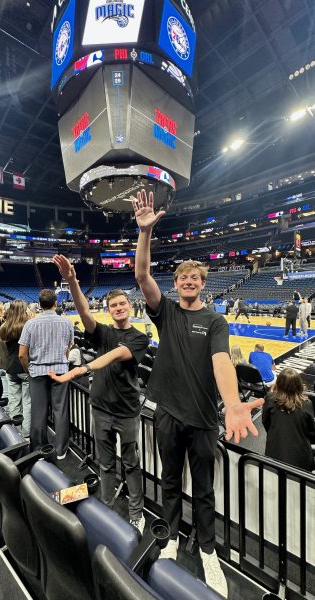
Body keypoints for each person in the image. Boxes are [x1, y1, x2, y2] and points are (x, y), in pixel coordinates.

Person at [133, 190, 263, 599]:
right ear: (176, 284)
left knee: (203, 490)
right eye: (182, 278)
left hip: (205, 419)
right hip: (168, 413)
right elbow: (140, 277)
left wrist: (234, 403)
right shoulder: (166, 311)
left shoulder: (216, 321)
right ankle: (171, 537)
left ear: (203, 284)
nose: (188, 282)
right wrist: (145, 234)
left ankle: (208, 551)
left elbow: (222, 362)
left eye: (195, 278)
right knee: (170, 483)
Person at [51, 255, 149, 534]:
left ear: (129, 307)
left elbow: (119, 355)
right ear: (108, 310)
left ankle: (135, 512)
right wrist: (71, 282)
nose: (118, 308)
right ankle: (106, 505)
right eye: (113, 305)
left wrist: (83, 369)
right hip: (100, 408)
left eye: (122, 304)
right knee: (105, 464)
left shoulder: (138, 339)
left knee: (131, 464)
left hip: (127, 412)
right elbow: (84, 314)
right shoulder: (102, 332)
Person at [18, 289, 74, 458]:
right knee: (61, 411)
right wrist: (62, 362)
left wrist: (29, 370)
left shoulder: (30, 324)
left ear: (39, 304)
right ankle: (61, 450)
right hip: (60, 371)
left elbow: (22, 354)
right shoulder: (67, 322)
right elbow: (68, 347)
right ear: (56, 303)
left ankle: (38, 449)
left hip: (37, 371)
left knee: (38, 411)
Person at [262, 368, 315, 471]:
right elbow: (311, 432)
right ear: (299, 385)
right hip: (301, 461)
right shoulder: (307, 403)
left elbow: (265, 422)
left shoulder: (270, 398)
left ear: (279, 383)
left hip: (273, 456)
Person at [0, 300, 32, 439]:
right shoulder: (27, 326)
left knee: (14, 402)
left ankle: (15, 434)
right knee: (27, 403)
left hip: (11, 368)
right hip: (25, 368)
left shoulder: (5, 327)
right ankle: (26, 434)